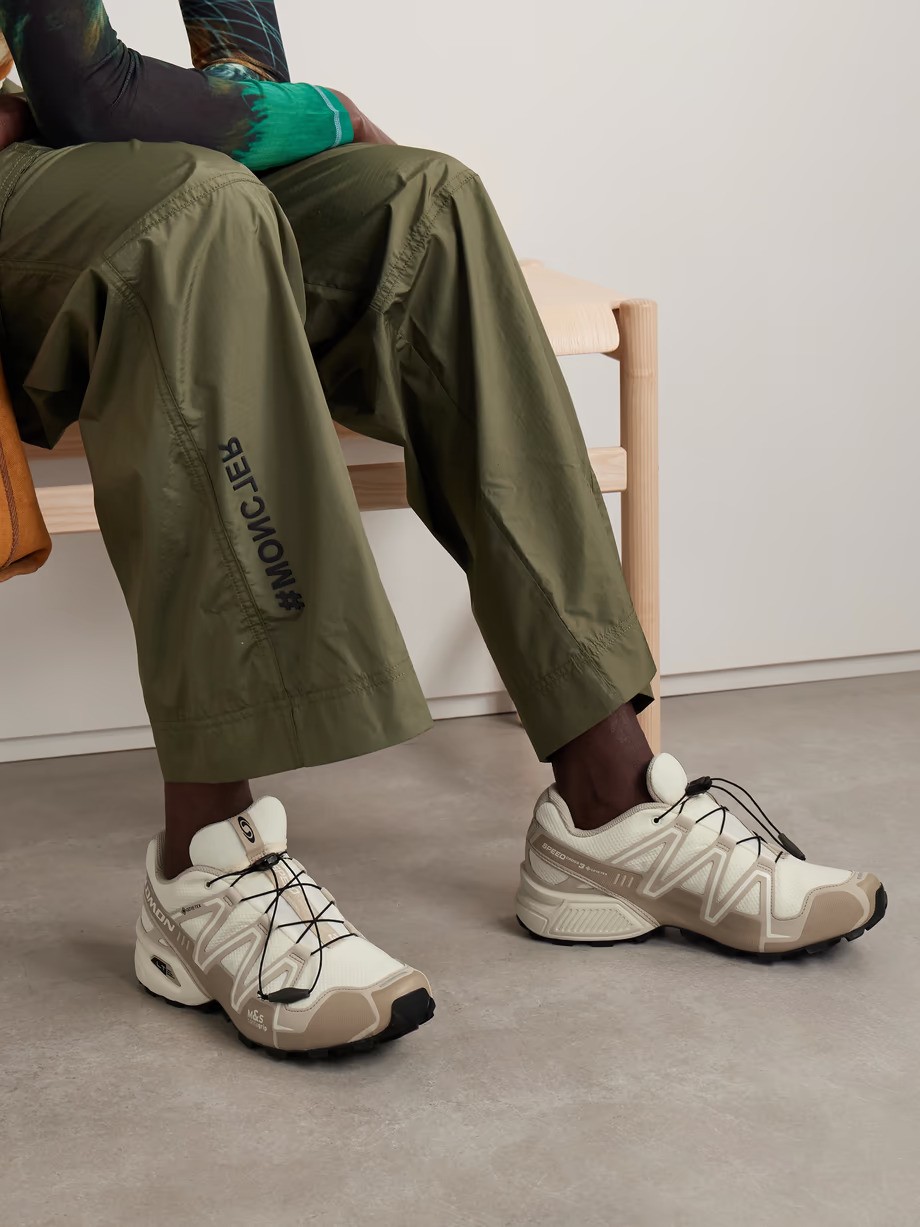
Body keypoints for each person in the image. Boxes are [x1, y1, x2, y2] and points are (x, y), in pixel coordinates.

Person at [0, 1, 886, 1057]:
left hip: (50, 152)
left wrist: (163, 109)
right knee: (196, 209)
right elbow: (92, 93)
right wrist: (322, 112)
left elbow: (235, 69)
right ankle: (205, 868)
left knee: (426, 200)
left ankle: (609, 801)